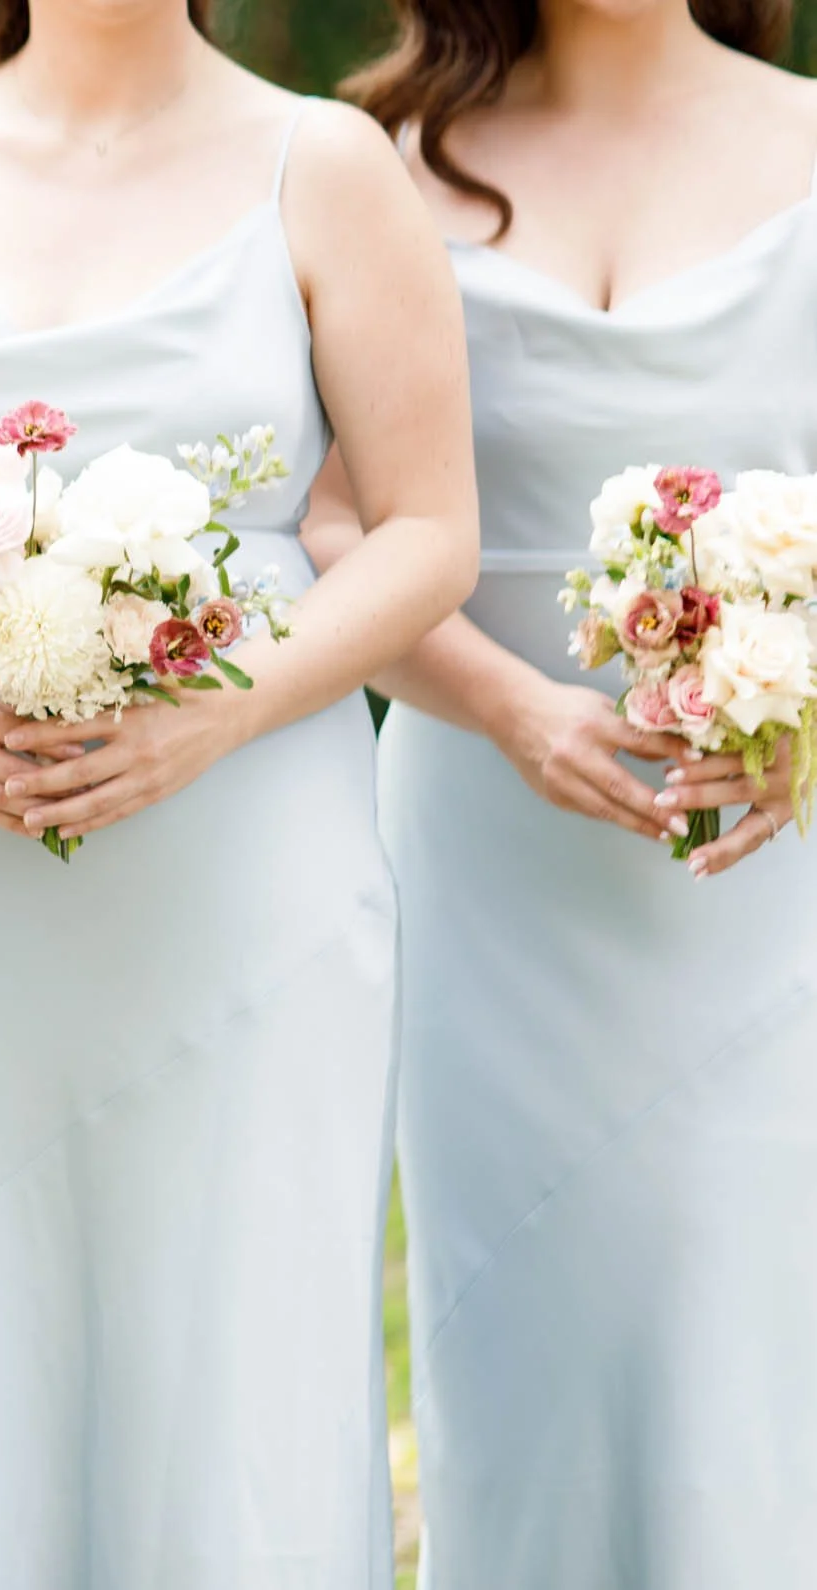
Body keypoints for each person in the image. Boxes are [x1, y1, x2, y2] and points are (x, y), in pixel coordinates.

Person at [0, 0, 479, 1582]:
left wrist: (212, 717)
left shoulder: (332, 163)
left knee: (233, 1350)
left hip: (246, 860)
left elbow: (432, 529)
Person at [321, 2, 817, 1582]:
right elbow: (337, 524)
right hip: (487, 847)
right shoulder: (381, 167)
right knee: (517, 1325)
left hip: (763, 854)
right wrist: (515, 709)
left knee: (745, 1329)